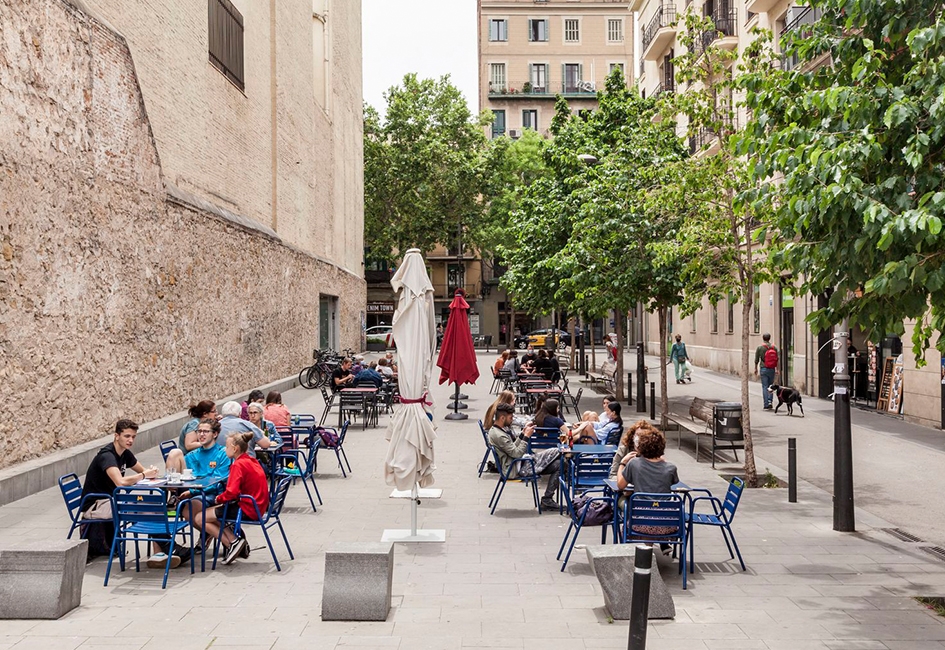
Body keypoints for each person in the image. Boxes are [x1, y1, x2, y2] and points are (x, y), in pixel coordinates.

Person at [182, 432, 269, 565]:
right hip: (258, 506)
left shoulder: (237, 465)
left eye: (227, 446)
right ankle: (234, 543)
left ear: (235, 448)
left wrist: (218, 499)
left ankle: (232, 542)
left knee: (200, 518)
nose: (225, 448)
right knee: (211, 514)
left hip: (247, 508)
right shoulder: (251, 460)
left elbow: (231, 493)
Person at [79, 420, 159, 559]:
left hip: (110, 502)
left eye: (133, 437)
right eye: (127, 436)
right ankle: (163, 552)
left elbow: (143, 471)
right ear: (117, 436)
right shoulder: (107, 456)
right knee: (148, 510)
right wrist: (145, 475)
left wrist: (151, 471)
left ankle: (161, 552)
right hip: (95, 506)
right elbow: (121, 482)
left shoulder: (125, 454)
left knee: (153, 507)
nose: (130, 440)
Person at [488, 403, 560, 512]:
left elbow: (512, 448)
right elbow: (516, 453)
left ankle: (547, 499)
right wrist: (526, 437)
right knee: (557, 455)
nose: (512, 420)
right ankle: (547, 499)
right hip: (515, 468)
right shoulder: (499, 435)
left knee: (560, 463)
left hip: (519, 464)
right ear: (502, 418)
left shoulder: (497, 430)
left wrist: (522, 434)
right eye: (510, 417)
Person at [616, 427, 680, 541]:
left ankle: (643, 551)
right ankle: (658, 546)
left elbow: (620, 485)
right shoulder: (671, 468)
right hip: (667, 525)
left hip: (639, 524)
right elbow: (673, 483)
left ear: (641, 447)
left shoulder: (634, 464)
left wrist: (622, 463)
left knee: (627, 510)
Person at [754, 333, 779, 410]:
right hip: (771, 368)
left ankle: (765, 404)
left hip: (763, 368)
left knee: (765, 386)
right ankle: (770, 401)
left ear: (763, 338)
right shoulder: (774, 347)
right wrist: (777, 369)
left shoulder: (760, 347)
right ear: (769, 338)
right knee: (770, 385)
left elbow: (756, 359)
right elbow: (777, 359)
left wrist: (755, 368)